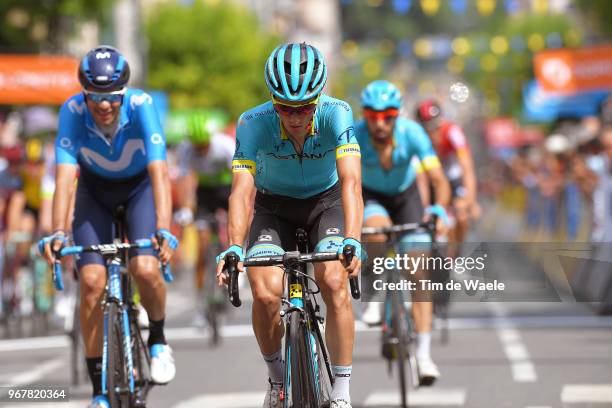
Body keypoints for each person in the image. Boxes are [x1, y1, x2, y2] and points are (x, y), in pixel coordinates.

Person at [215, 42, 364, 408]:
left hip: (324, 204)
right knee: (265, 293)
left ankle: (342, 393)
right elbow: (241, 192)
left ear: (318, 98)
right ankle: (277, 380)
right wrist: (235, 245)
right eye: (284, 107)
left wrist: (353, 239)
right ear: (272, 101)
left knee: (333, 280)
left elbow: (351, 184)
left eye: (304, 107)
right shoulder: (252, 123)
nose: (295, 116)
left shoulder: (338, 113)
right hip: (273, 207)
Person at [38, 45, 178, 408]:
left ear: (123, 93)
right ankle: (99, 388)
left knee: (145, 267)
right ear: (84, 93)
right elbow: (65, 176)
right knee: (90, 282)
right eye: (95, 97)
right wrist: (57, 232)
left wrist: (163, 227)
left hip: (139, 192)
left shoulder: (141, 106)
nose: (103, 105)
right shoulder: (70, 112)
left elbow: (159, 173)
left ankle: (159, 340)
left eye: (112, 97)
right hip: (94, 193)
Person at [356, 80, 450, 385]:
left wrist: (438, 210)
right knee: (375, 232)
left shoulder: (413, 133)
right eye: (373, 115)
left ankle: (423, 356)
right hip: (371, 196)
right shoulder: (354, 135)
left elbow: (438, 179)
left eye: (388, 115)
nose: (380, 123)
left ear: (397, 115)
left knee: (419, 274)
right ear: (364, 114)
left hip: (406, 197)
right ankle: (372, 287)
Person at [174, 111, 235, 327]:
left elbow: (241, 177)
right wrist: (184, 208)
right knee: (201, 249)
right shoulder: (185, 149)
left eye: (204, 145)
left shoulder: (224, 145)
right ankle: (201, 305)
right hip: (205, 194)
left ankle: (233, 265)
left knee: (230, 232)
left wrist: (239, 207)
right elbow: (183, 178)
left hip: (227, 189)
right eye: (198, 146)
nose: (202, 149)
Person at [416, 99, 480, 255]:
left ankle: (455, 253)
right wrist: (424, 207)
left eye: (437, 127)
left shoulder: (453, 131)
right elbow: (420, 177)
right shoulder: (417, 137)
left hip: (453, 179)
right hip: (431, 181)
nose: (434, 134)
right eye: (428, 129)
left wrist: (470, 200)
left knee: (462, 215)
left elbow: (467, 166)